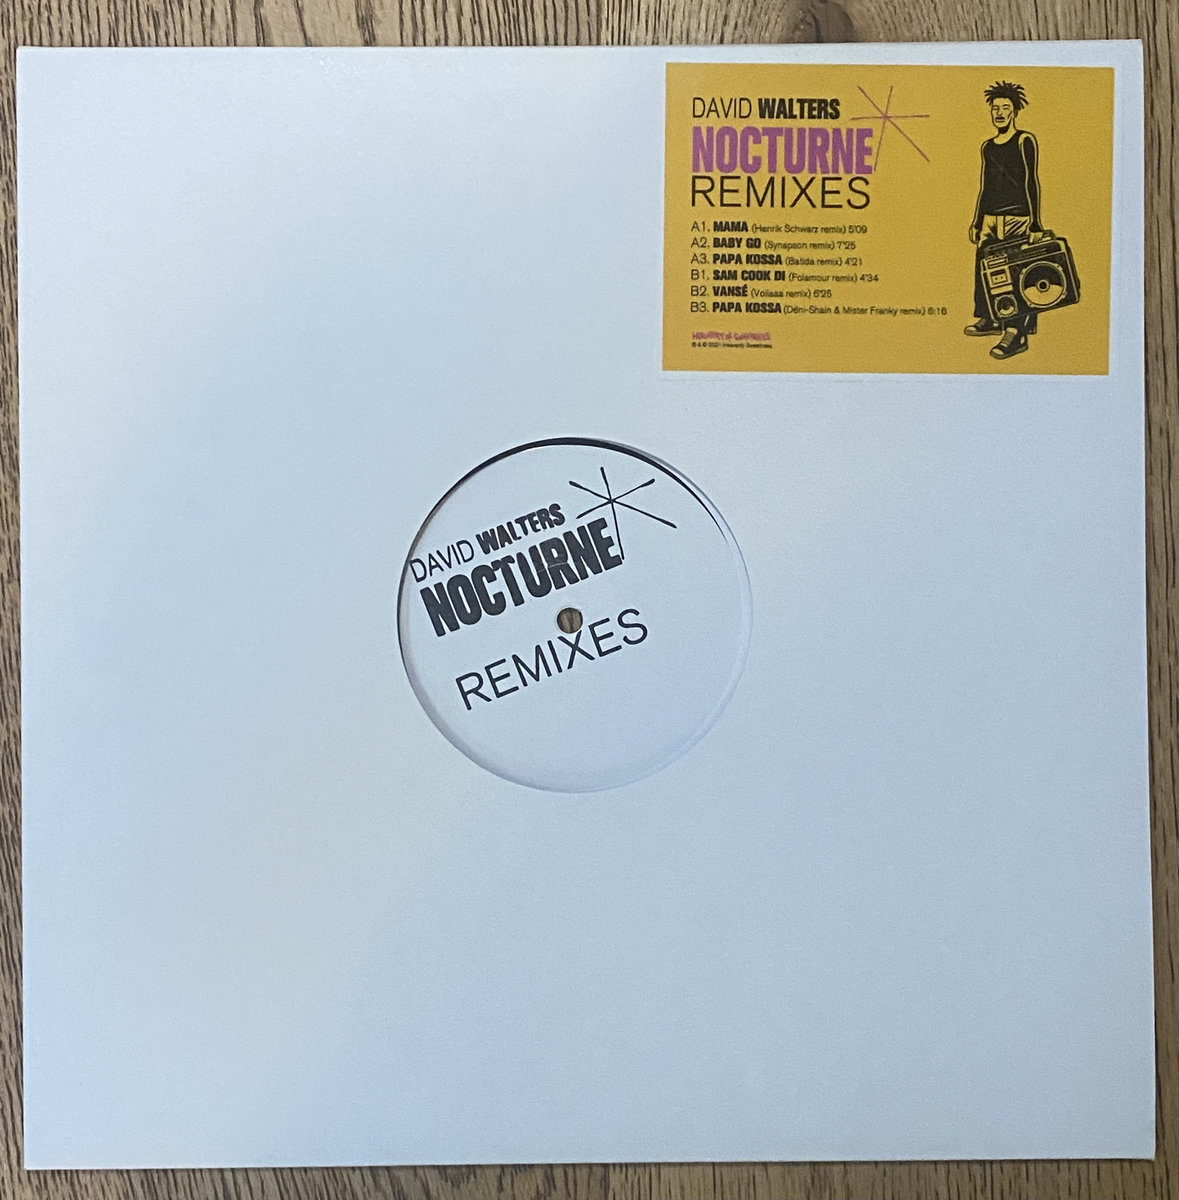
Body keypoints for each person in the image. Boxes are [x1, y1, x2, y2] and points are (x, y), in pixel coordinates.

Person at [965, 81, 1043, 360]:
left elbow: (1031, 181)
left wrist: (1035, 222)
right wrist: (977, 221)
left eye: (1005, 108)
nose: (999, 113)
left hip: (1018, 218)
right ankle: (989, 317)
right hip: (990, 219)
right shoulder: (987, 146)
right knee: (984, 269)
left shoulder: (1024, 140)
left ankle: (1015, 332)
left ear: (1014, 112)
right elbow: (984, 185)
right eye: (995, 108)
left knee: (1015, 274)